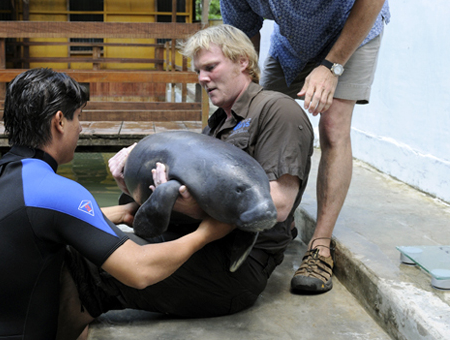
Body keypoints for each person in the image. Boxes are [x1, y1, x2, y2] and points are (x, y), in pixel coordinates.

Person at [62, 24, 313, 334]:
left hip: (236, 264)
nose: (201, 78)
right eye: (198, 70)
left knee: (91, 265)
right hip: (201, 242)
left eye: (210, 67)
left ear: (243, 61)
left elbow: (279, 204)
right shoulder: (219, 122)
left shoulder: (277, 110)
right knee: (82, 245)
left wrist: (193, 208)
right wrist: (134, 187)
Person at [0, 68, 234, 340]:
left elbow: (35, 221)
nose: (80, 128)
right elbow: (140, 271)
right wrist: (206, 233)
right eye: (79, 117)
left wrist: (124, 212)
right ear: (59, 121)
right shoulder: (57, 190)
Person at [220, 0, 391, 293]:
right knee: (262, 118)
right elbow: (243, 38)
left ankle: (319, 247)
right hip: (291, 42)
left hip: (353, 28)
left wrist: (331, 67)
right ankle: (279, 225)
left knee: (333, 126)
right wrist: (243, 96)